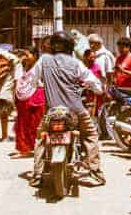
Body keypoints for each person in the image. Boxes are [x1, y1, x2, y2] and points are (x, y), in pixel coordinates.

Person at [29, 31, 105, 187]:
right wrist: (98, 90)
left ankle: (37, 175)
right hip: (75, 111)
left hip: (52, 111)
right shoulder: (75, 63)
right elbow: (93, 82)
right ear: (70, 46)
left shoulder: (44, 60)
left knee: (40, 138)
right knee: (90, 136)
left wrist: (39, 86)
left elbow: (32, 80)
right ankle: (95, 173)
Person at [13, 49, 45, 158]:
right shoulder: (21, 67)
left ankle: (37, 148)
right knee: (22, 124)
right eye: (24, 55)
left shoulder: (40, 67)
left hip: (36, 97)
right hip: (23, 98)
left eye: (28, 54)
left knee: (35, 124)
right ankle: (24, 149)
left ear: (35, 55)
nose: (25, 57)